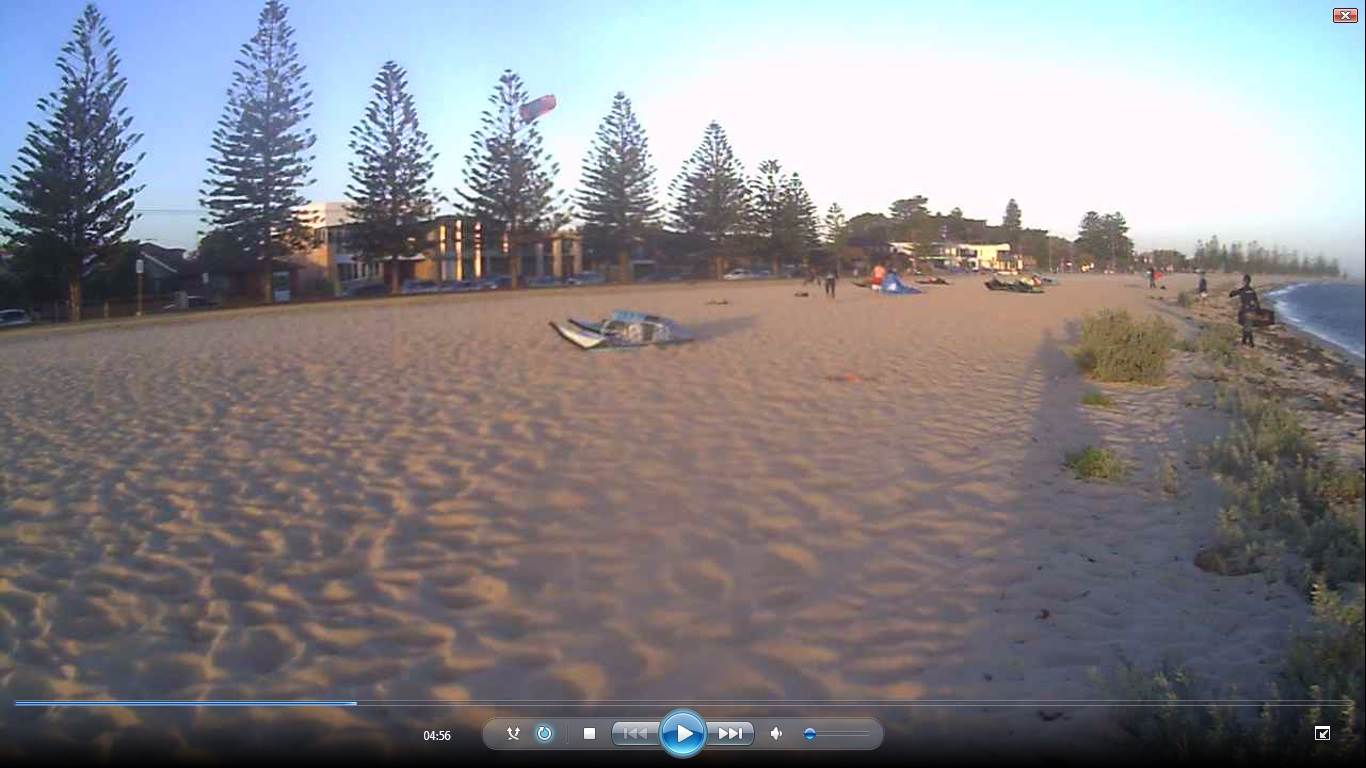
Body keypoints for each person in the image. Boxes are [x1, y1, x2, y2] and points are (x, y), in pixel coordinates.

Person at [1228, 274, 1260, 347]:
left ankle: (1249, 342)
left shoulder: (1242, 290)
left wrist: (1234, 288)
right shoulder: (1252, 291)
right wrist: (1258, 311)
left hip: (1245, 310)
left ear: (1244, 281)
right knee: (1247, 326)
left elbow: (1231, 294)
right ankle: (1245, 341)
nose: (1244, 282)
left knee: (1246, 326)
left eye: (1244, 281)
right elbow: (1256, 302)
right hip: (1251, 310)